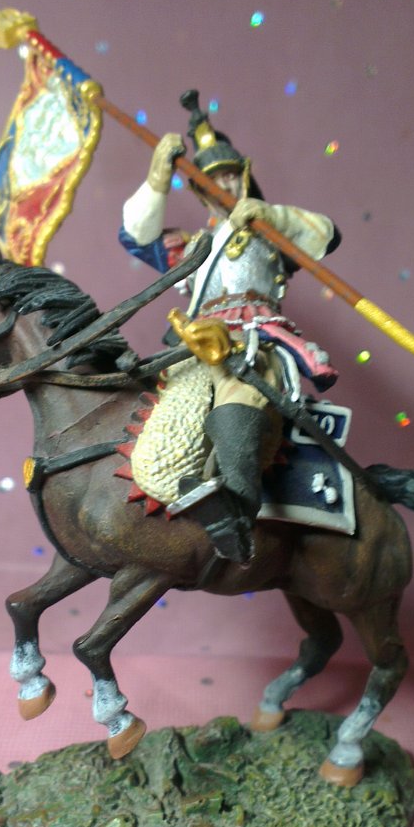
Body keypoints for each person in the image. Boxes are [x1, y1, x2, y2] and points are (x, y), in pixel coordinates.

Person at [118, 90, 341, 564]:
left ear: (244, 178)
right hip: (197, 340)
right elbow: (136, 237)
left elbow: (327, 234)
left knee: (240, 387)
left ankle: (237, 509)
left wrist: (270, 216)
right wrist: (157, 178)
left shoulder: (272, 236)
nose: (224, 184)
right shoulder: (193, 245)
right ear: (200, 191)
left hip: (257, 337)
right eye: (213, 179)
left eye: (231, 176)